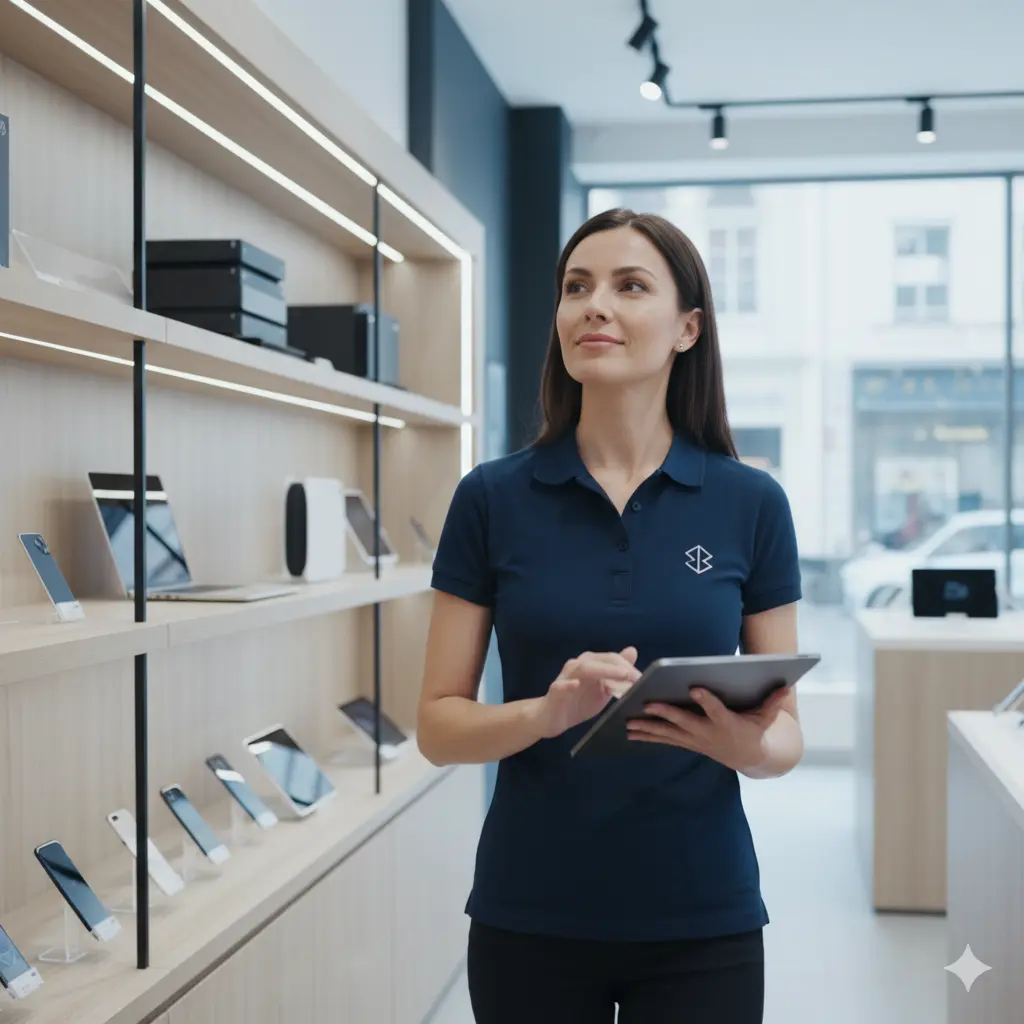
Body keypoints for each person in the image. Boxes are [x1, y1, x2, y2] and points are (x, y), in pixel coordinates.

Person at [417, 208, 805, 1024]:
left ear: (687, 328)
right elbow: (439, 727)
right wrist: (545, 711)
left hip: (704, 916)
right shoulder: (490, 498)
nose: (595, 305)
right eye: (576, 287)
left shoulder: (752, 504)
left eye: (630, 286)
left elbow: (785, 735)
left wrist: (748, 747)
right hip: (531, 913)